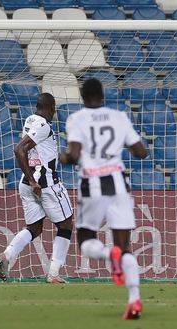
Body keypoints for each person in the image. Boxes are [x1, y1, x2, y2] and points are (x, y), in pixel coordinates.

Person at [59, 78, 149, 320]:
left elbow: (75, 154)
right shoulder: (119, 117)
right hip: (119, 183)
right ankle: (134, 300)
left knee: (86, 240)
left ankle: (110, 256)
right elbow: (141, 152)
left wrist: (65, 157)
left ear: (82, 95)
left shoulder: (76, 119)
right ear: (102, 95)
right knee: (125, 245)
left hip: (93, 183)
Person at [0, 93, 74, 284]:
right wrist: (33, 181)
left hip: (27, 184)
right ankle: (54, 273)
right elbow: (19, 149)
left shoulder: (30, 120)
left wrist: (29, 180)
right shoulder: (43, 126)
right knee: (66, 224)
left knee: (35, 228)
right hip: (44, 184)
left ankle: (6, 256)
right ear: (52, 108)